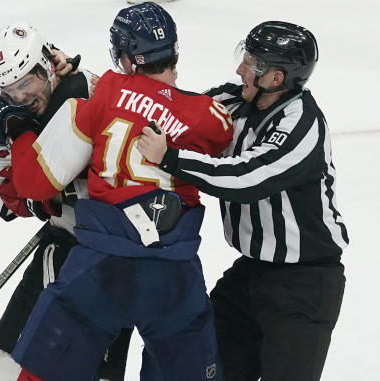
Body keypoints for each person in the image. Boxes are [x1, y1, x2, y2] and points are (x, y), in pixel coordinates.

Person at [3, 2, 233, 381]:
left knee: (44, 372)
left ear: (126, 58)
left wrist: (20, 128)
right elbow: (216, 131)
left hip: (100, 269)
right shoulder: (209, 116)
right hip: (174, 274)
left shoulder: (104, 92)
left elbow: (32, 183)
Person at [137, 21, 348, 381]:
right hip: (251, 273)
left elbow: (246, 177)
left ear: (276, 78)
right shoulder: (233, 100)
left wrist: (170, 157)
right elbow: (164, 104)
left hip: (305, 283)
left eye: (250, 64)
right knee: (201, 363)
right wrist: (81, 80)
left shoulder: (303, 124)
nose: (239, 70)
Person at [0, 22, 135, 381]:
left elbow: (38, 187)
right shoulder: (60, 85)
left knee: (17, 368)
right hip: (88, 244)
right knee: (15, 365)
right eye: (8, 89)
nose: (19, 97)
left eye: (25, 84)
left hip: (88, 250)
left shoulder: (82, 97)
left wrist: (19, 136)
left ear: (47, 66)